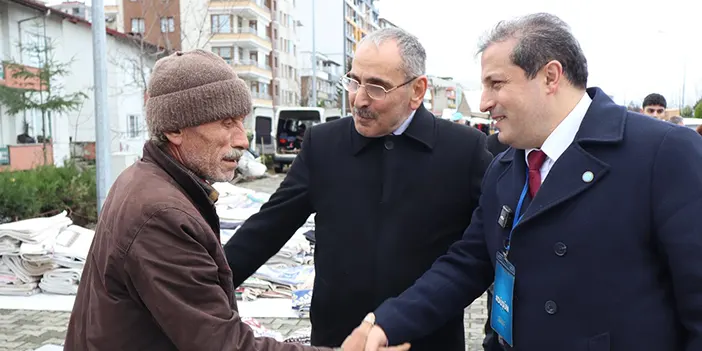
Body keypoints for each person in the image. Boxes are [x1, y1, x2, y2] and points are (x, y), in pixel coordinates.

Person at [345, 13, 702, 350]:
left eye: (496, 83)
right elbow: (467, 263)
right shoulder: (506, 168)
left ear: (550, 77)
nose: (484, 102)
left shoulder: (664, 153)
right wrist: (388, 322)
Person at [63, 49, 404, 351]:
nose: (242, 140)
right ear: (174, 128)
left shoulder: (151, 182)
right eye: (226, 123)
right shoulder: (160, 213)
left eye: (242, 122)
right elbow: (224, 345)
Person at [223, 27, 492, 351]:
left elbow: (484, 250)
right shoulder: (324, 144)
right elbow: (267, 228)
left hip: (427, 340)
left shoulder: (463, 151)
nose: (359, 98)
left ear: (417, 90)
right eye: (354, 81)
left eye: (376, 87)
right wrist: (205, 289)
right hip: (338, 341)